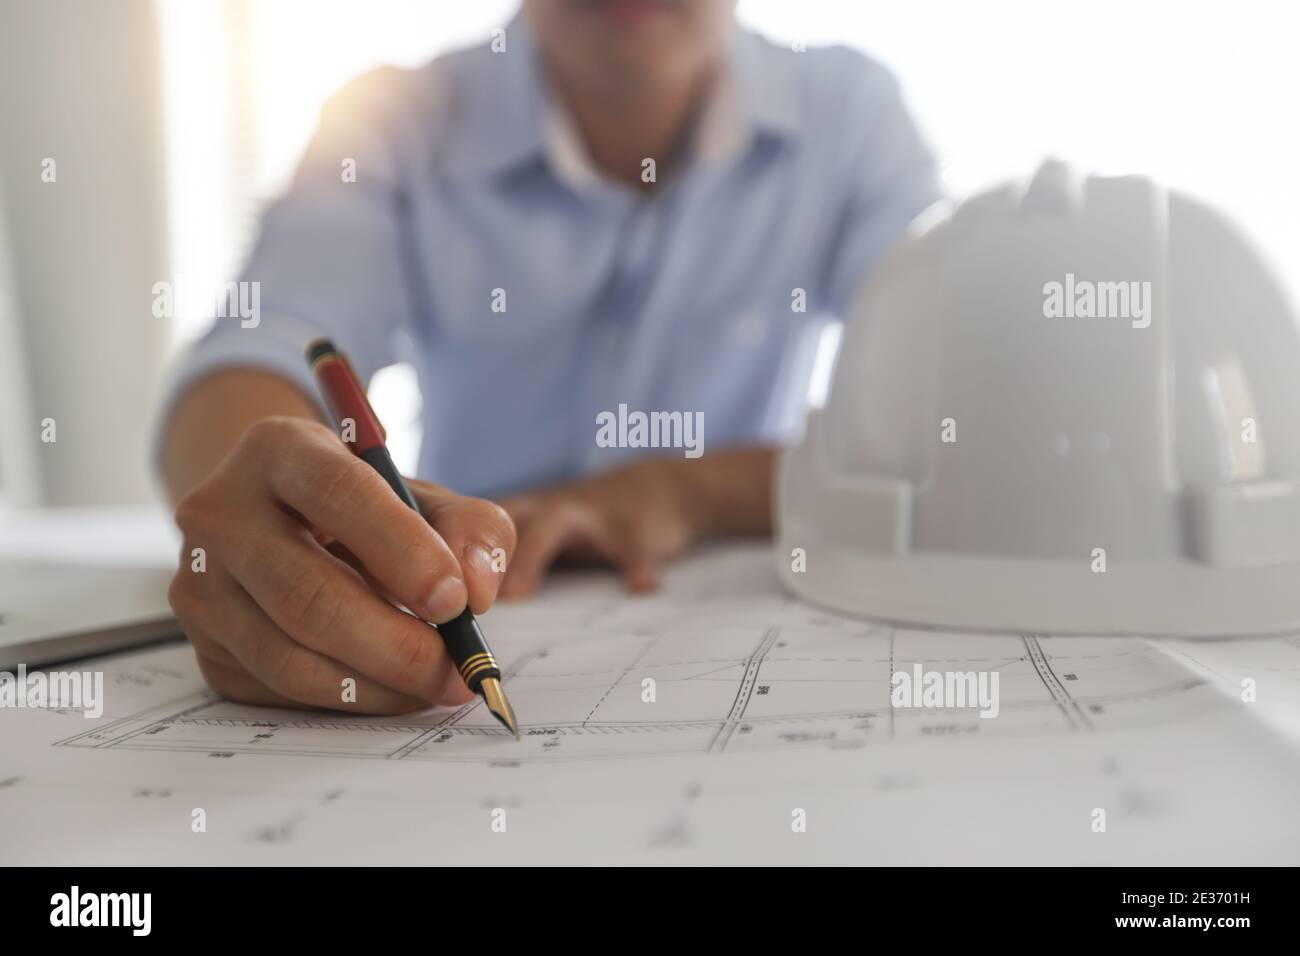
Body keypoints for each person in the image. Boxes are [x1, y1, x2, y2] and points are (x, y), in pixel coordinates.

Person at [160, 0, 941, 713]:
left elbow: (944, 416)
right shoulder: (389, 118)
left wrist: (694, 488)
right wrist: (265, 510)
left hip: (743, 597)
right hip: (464, 594)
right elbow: (265, 344)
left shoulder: (852, 112)